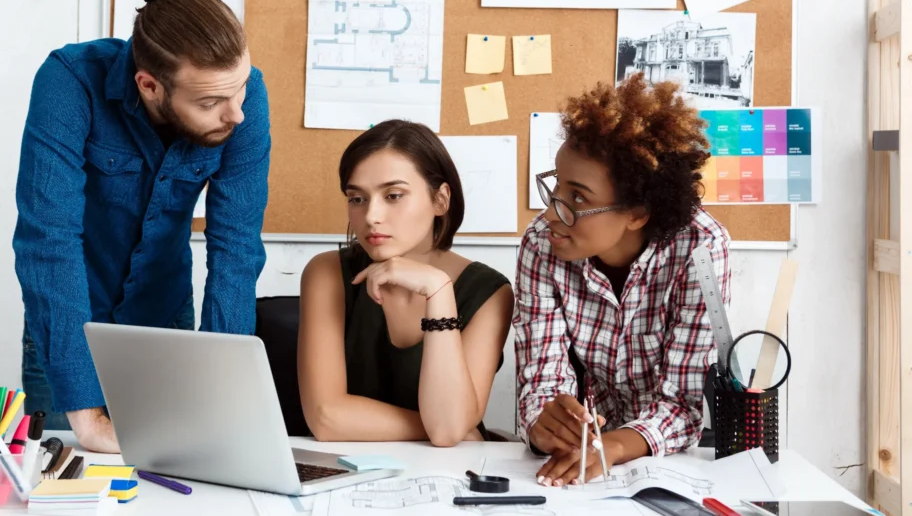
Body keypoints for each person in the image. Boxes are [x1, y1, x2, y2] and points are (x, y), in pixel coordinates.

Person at [13, 0, 270, 452]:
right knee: (65, 487)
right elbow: (48, 240)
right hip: (70, 328)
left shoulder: (241, 97)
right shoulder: (69, 82)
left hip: (163, 329)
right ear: (149, 85)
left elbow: (236, 247)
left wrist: (221, 386)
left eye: (241, 88)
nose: (238, 115)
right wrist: (86, 414)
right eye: (211, 103)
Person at [514, 74, 731, 486]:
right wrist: (547, 425)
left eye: (577, 198)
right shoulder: (541, 244)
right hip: (576, 461)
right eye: (556, 185)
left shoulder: (700, 249)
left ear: (636, 213)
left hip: (667, 462)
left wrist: (610, 446)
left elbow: (683, 404)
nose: (549, 215)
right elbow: (540, 381)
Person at [297, 120, 513, 447]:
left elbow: (448, 431)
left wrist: (438, 290)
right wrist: (445, 427)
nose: (371, 216)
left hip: (449, 476)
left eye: (394, 195)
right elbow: (327, 418)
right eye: (357, 199)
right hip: (351, 474)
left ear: (440, 200)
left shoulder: (490, 292)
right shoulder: (326, 273)